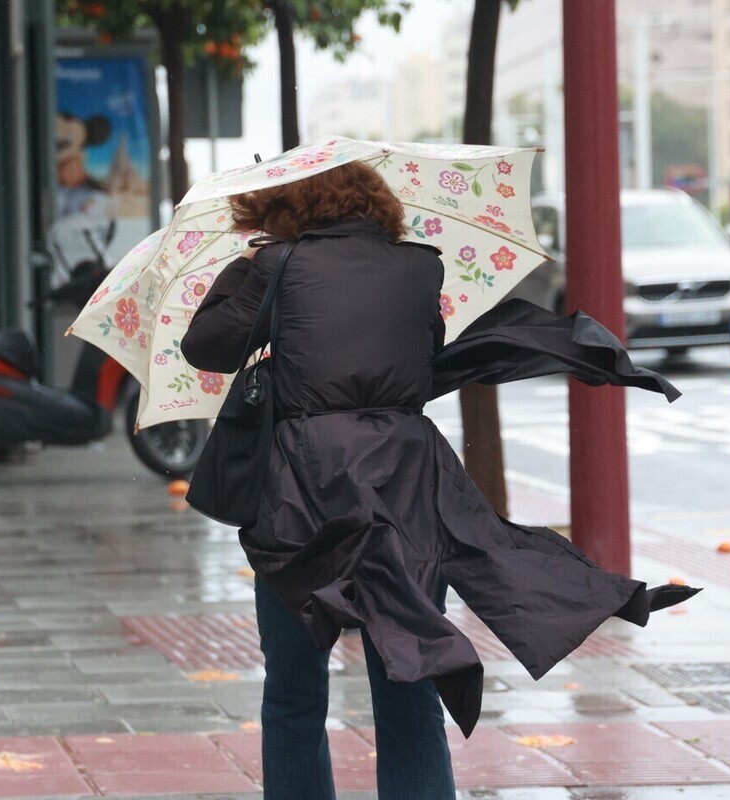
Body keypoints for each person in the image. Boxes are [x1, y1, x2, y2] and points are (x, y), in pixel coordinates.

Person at [180, 162, 696, 800]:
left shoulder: (274, 267)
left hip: (301, 490)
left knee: (294, 688)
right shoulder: (421, 266)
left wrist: (250, 271)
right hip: (403, 482)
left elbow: (204, 348)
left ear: (291, 206)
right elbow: (421, 358)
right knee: (410, 675)